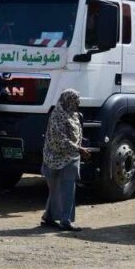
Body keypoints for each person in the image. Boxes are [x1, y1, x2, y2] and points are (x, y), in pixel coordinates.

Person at [41, 89, 91, 230]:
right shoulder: (57, 116)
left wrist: (79, 146)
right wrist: (79, 149)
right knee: (63, 189)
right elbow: (59, 138)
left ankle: (49, 217)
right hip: (56, 157)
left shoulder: (74, 115)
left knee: (63, 187)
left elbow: (76, 134)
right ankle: (65, 221)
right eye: (75, 100)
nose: (78, 103)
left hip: (71, 157)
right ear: (68, 100)